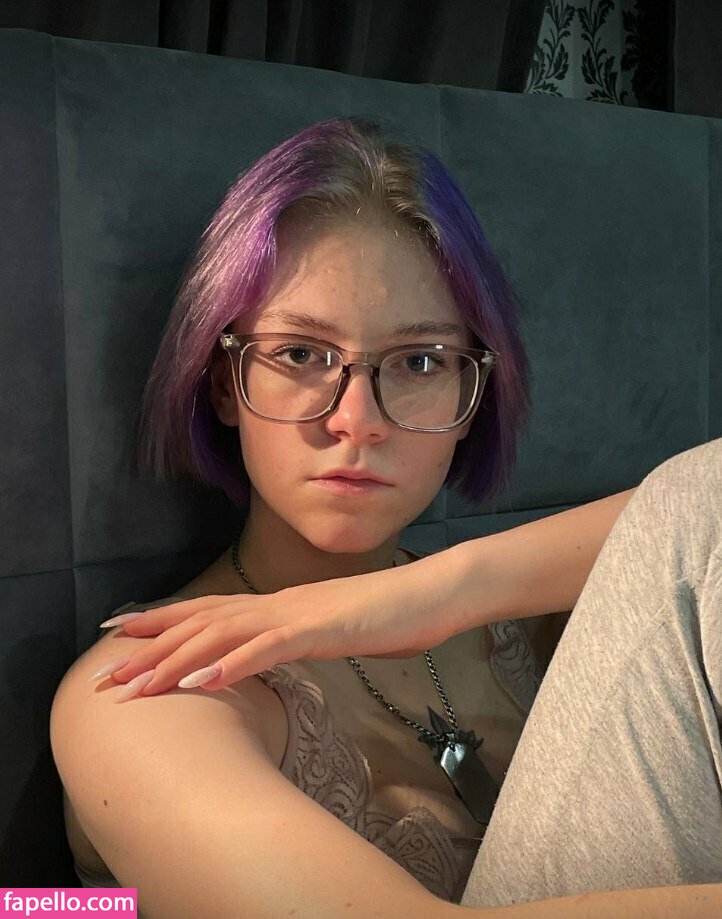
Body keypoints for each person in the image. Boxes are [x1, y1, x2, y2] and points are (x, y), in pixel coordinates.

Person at [49, 116, 722, 918]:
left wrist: (439, 592)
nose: (358, 420)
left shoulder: (527, 627)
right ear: (225, 382)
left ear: (473, 394)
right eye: (302, 353)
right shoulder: (147, 688)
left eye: (419, 361)